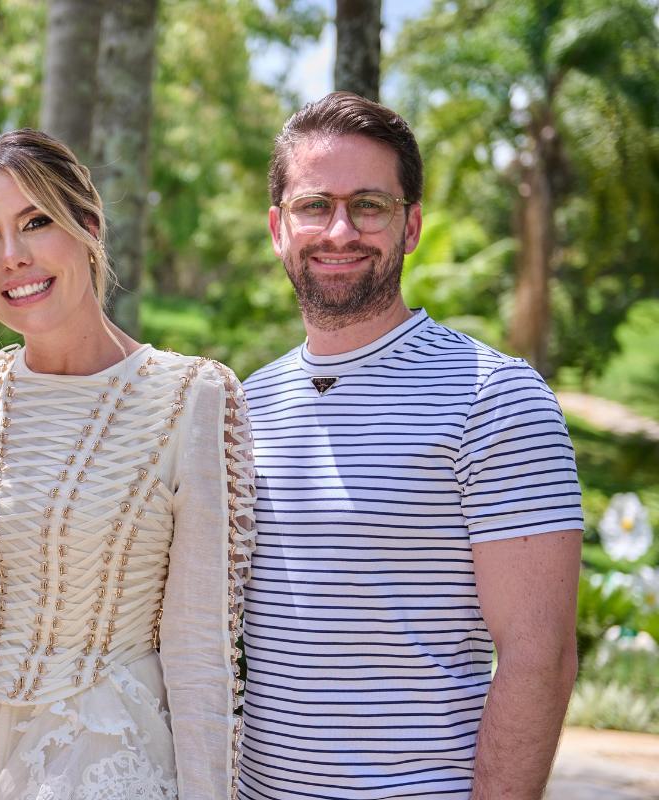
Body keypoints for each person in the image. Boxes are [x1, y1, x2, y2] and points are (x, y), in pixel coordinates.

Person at [239, 92, 583, 800]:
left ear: (412, 225)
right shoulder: (244, 405)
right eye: (314, 205)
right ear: (278, 228)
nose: (340, 230)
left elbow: (538, 658)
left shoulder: (496, 397)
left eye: (370, 205)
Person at [0, 129, 257, 799]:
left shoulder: (189, 399)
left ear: (89, 225)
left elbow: (200, 653)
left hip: (106, 761)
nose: (11, 257)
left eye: (35, 222)